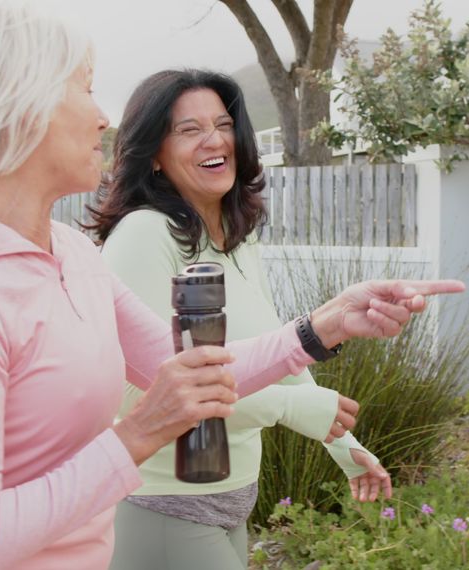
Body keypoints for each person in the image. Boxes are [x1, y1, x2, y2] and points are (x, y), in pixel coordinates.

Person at [0, 3, 466, 569]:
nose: (103, 117)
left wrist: (326, 324)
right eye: (85, 89)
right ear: (18, 102)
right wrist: (139, 433)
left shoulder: (70, 253)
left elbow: (187, 368)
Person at [91, 69, 392, 570]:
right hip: (163, 507)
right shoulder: (143, 235)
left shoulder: (237, 238)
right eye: (189, 130)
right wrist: (289, 408)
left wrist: (344, 444)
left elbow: (282, 354)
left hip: (232, 502)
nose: (215, 140)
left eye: (224, 123)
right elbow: (135, 392)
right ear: (155, 155)